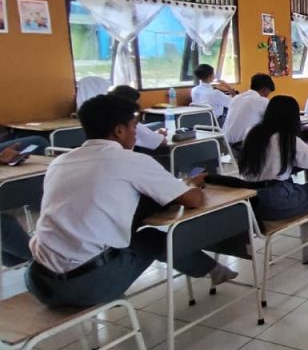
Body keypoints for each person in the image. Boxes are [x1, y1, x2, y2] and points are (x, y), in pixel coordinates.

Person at [24, 95, 238, 308]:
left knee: (131, 234)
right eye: (134, 126)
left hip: (38, 281)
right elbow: (193, 200)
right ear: (119, 130)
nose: (136, 133)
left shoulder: (60, 162)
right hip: (84, 286)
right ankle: (213, 270)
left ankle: (212, 270)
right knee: (152, 239)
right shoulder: (131, 161)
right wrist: (191, 186)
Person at [238, 95, 308, 261]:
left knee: (294, 186)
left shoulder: (251, 132)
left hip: (249, 201)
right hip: (275, 201)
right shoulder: (287, 139)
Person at [222, 73, 276, 152]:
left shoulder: (236, 98)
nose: (267, 96)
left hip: (225, 144)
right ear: (264, 90)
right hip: (241, 145)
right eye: (268, 92)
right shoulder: (261, 101)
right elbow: (276, 120)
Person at [110, 85, 167, 152]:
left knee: (157, 124)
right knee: (161, 124)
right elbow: (162, 142)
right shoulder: (127, 121)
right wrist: (159, 135)